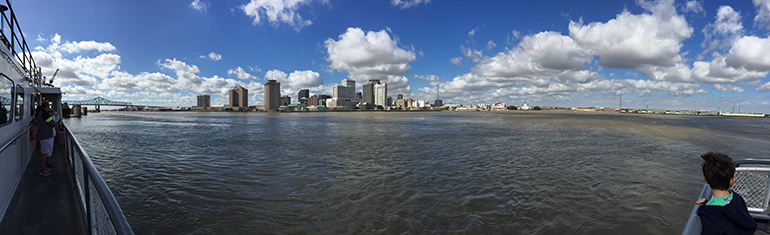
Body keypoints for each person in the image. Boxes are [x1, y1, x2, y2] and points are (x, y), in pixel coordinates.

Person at [696, 152, 757, 234]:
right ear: (732, 181)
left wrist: (704, 207)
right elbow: (726, 209)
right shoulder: (737, 199)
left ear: (706, 180)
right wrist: (707, 203)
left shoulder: (709, 218)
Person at [37, 101, 57, 176]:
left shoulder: (41, 113)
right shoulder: (44, 114)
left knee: (45, 152)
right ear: (47, 106)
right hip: (45, 136)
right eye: (49, 106)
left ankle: (44, 167)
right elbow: (52, 123)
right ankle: (42, 169)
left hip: (45, 135)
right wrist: (52, 120)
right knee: (44, 152)